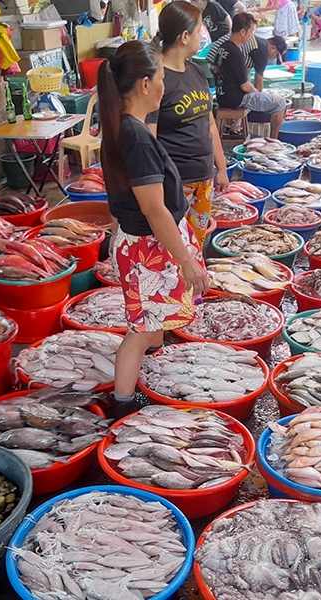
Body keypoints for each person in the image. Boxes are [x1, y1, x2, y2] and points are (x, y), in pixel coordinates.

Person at [98, 40, 210, 402]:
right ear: (146, 84)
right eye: (162, 77)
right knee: (141, 331)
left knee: (153, 324)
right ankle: (123, 404)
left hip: (142, 245)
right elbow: (154, 209)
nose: (165, 85)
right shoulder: (136, 137)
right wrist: (187, 263)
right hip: (151, 250)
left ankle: (151, 376)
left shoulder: (126, 127)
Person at [148, 1, 231, 246]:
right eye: (199, 32)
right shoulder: (156, 78)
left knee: (196, 244)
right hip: (174, 182)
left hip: (204, 178)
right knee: (171, 248)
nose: (202, 37)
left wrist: (222, 168)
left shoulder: (196, 72)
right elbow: (148, 138)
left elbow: (210, 124)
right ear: (185, 36)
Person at [213, 13, 287, 137]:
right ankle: (274, 142)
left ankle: (237, 126)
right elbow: (245, 86)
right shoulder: (235, 53)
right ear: (243, 32)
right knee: (281, 103)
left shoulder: (223, 47)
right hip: (236, 99)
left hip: (222, 97)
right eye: (251, 31)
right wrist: (258, 94)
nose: (252, 35)